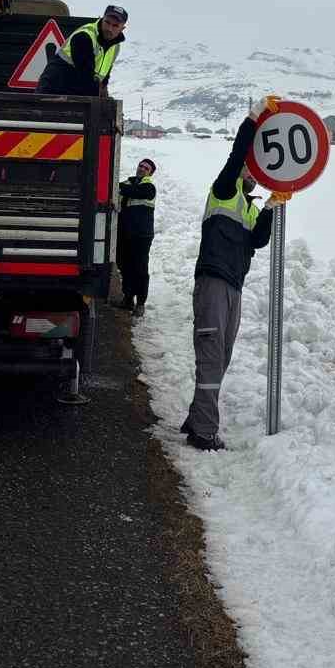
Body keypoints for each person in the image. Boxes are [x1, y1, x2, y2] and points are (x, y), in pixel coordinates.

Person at [181, 95, 288, 451]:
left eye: (254, 173)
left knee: (222, 355)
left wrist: (272, 205)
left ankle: (196, 416)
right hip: (212, 281)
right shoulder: (224, 191)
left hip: (234, 288)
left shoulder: (248, 206)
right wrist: (254, 118)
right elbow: (237, 154)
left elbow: (258, 240)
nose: (251, 174)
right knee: (212, 355)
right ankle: (204, 432)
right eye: (249, 169)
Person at [37, 5, 126, 96]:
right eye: (107, 22)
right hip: (53, 91)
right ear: (102, 19)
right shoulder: (84, 36)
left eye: (115, 26)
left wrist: (104, 94)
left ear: (122, 28)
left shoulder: (115, 47)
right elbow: (85, 74)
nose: (109, 28)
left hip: (75, 94)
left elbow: (104, 77)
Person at [116, 157, 157, 315]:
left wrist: (118, 187)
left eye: (146, 168)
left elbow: (138, 193)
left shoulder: (149, 186)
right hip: (125, 233)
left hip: (141, 235)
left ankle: (140, 303)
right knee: (125, 266)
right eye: (141, 165)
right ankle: (127, 298)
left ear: (150, 173)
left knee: (140, 268)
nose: (142, 169)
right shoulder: (127, 183)